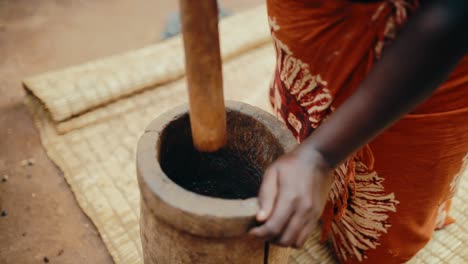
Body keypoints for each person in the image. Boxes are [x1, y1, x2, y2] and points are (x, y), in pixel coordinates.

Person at [249, 0, 468, 263]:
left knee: (383, 218)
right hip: (318, 24)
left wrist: (320, 155)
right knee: (302, 125)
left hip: (418, 64)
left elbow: (451, 16)